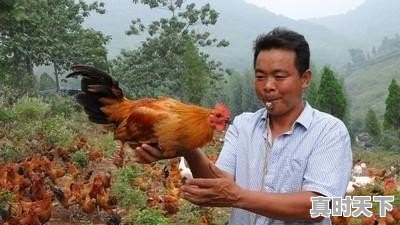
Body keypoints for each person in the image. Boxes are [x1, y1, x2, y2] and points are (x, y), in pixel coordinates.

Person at [134, 27, 352, 225]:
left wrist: (238, 196)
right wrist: (187, 147)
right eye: (260, 76)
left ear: (305, 79)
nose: (268, 86)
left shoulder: (329, 131)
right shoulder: (243, 126)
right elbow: (220, 185)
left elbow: (319, 206)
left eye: (279, 76)